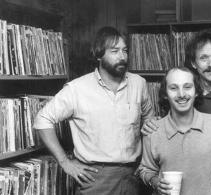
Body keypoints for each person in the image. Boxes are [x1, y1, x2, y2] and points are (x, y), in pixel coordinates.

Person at [34, 26, 154, 195]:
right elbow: (42, 119)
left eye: (125, 50)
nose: (122, 57)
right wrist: (64, 162)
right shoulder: (77, 89)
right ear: (99, 55)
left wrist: (146, 163)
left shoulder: (139, 83)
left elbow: (149, 119)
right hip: (95, 179)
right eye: (114, 51)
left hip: (133, 176)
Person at [142, 30, 211, 180]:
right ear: (194, 63)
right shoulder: (185, 95)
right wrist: (152, 122)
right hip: (193, 178)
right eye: (203, 58)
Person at [139, 67, 211, 195]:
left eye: (187, 87)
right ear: (165, 94)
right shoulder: (153, 130)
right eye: (173, 88)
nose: (181, 94)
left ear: (196, 91)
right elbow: (145, 170)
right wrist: (155, 181)